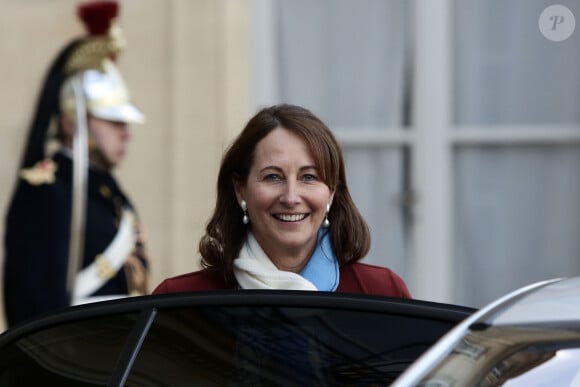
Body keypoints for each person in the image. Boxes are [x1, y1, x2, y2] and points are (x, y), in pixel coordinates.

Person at [153, 104, 410, 297]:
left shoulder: (381, 292)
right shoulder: (180, 299)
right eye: (273, 177)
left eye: (308, 177)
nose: (290, 197)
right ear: (240, 189)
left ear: (331, 191)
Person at [3, 0, 150, 327]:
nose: (126, 133)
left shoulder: (112, 196)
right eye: (113, 121)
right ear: (72, 121)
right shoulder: (47, 189)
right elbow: (33, 305)